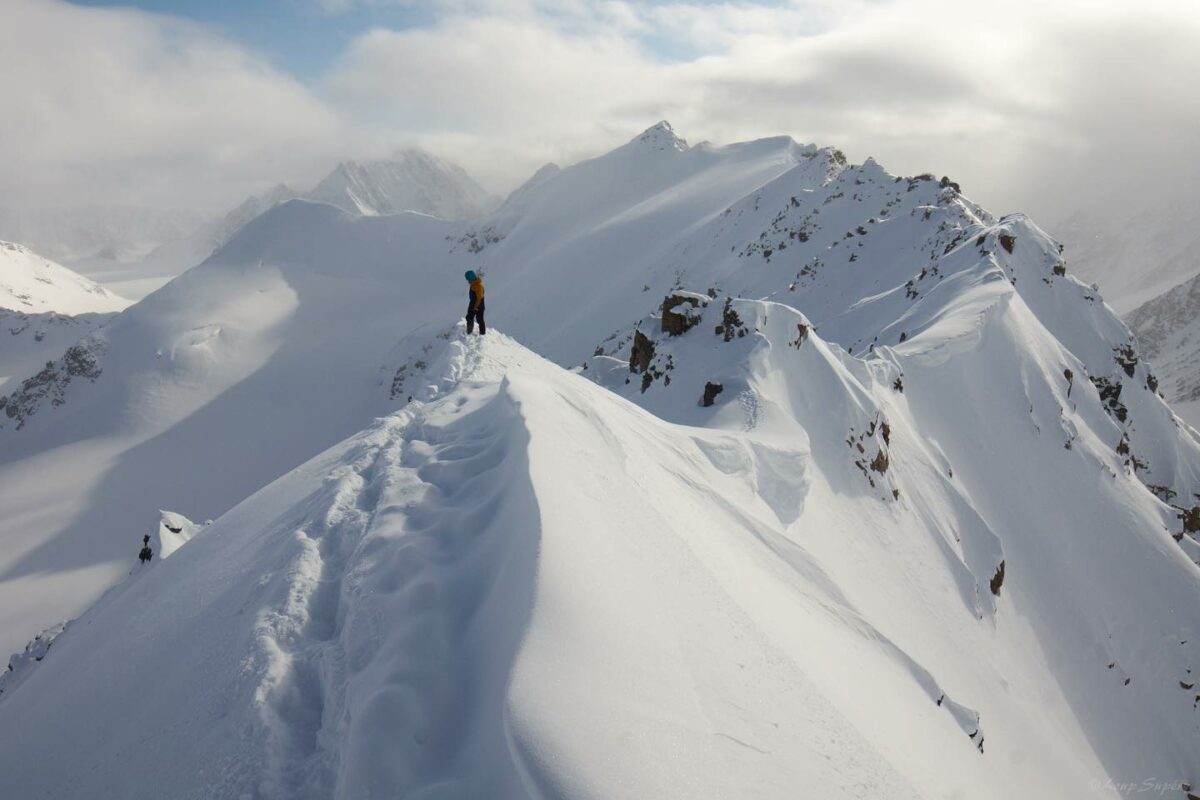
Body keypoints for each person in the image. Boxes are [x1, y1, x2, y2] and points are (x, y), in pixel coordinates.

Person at [464, 270, 486, 335]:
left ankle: (482, 334)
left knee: (480, 319)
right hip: (473, 303)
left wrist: (475, 307)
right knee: (469, 317)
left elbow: (479, 298)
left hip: (479, 305)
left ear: (471, 278)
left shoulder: (479, 286)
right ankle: (469, 332)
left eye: (468, 279)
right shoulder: (473, 284)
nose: (467, 281)